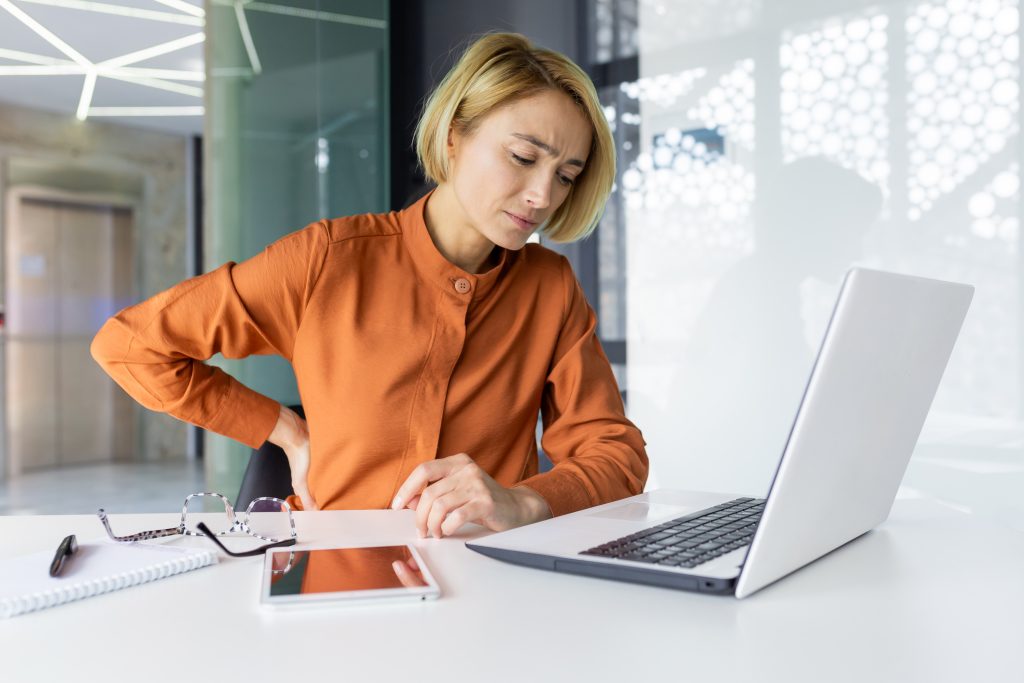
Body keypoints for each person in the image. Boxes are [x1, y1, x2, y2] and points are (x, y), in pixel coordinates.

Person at [90, 32, 648, 540]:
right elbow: (132, 347)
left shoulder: (550, 289)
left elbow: (616, 456)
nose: (543, 196)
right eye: (524, 157)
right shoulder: (325, 261)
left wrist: (525, 502)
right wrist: (285, 430)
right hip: (332, 566)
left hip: (487, 578)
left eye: (566, 176)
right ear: (454, 137)